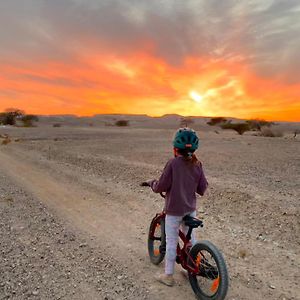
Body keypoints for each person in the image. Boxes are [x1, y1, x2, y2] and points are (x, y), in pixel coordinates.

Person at [147, 127, 208, 287]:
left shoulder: (173, 163)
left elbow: (161, 186)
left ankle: (168, 275)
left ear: (175, 149)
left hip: (174, 211)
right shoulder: (198, 164)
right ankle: (191, 269)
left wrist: (152, 183)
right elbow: (201, 189)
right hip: (190, 209)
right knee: (191, 240)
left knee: (172, 241)